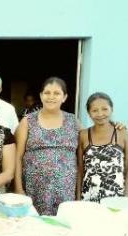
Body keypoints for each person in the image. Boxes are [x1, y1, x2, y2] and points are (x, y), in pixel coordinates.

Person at [15, 77, 79, 215]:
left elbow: (91, 142)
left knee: (62, 229)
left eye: (57, 93)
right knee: (33, 228)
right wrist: (18, 188)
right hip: (34, 190)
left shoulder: (74, 121)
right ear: (41, 96)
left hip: (65, 190)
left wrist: (115, 127)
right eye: (47, 92)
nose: (51, 97)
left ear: (65, 97)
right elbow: (17, 157)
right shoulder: (28, 121)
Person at [77, 92, 128, 202]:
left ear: (111, 109)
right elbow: (80, 170)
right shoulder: (83, 135)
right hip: (89, 197)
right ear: (89, 113)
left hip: (116, 197)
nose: (100, 114)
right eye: (94, 110)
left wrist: (127, 198)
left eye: (104, 109)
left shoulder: (122, 133)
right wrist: (78, 199)